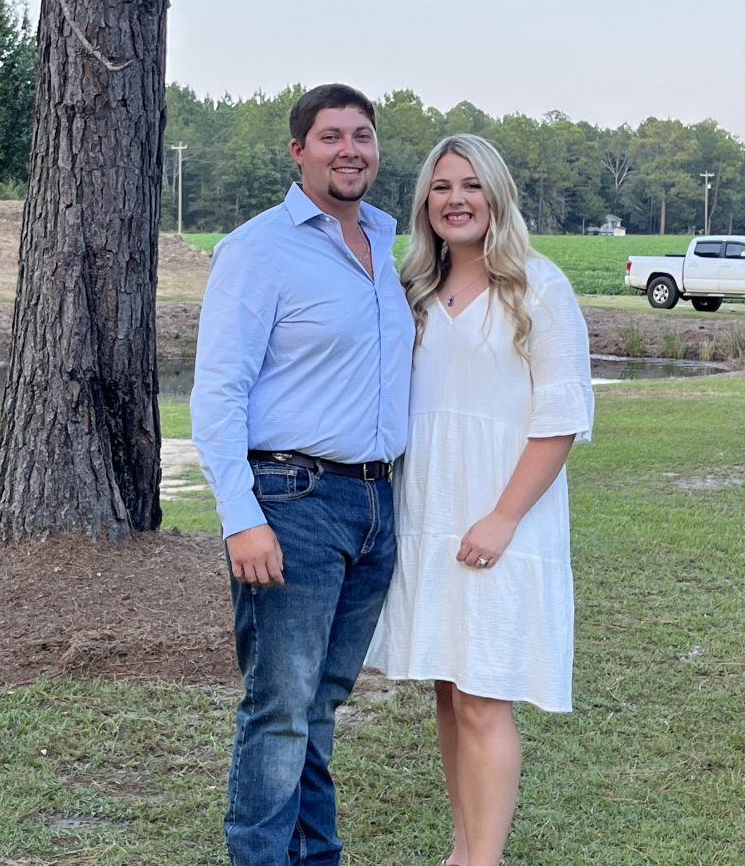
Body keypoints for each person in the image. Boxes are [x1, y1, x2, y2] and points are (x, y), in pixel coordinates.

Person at [190, 83, 414, 866]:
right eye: (330, 136)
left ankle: (316, 856)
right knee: (281, 709)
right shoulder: (257, 250)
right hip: (292, 499)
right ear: (298, 151)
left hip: (375, 501)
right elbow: (218, 391)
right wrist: (241, 517)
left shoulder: (385, 242)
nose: (349, 150)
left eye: (362, 135)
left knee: (322, 702)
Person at [365, 134, 594, 866]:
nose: (456, 199)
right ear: (424, 202)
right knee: (449, 689)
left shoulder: (538, 286)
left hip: (501, 516)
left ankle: (483, 861)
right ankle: (462, 851)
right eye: (441, 187)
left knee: (484, 695)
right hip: (429, 512)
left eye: (471, 185)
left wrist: (503, 517)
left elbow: (561, 417)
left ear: (497, 195)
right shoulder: (413, 289)